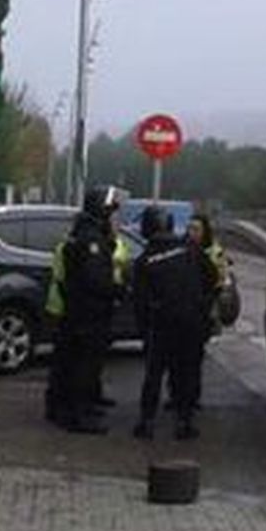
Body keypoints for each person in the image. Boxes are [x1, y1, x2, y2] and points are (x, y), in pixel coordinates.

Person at [43, 186, 124, 433]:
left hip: (76, 309)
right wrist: (117, 289)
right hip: (88, 312)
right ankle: (79, 416)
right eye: (110, 212)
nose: (113, 217)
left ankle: (62, 408)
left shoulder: (82, 232)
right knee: (83, 364)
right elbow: (95, 279)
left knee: (68, 360)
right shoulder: (91, 240)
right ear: (100, 211)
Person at [131, 206, 215, 440]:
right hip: (190, 322)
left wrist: (143, 330)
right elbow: (212, 277)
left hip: (161, 324)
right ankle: (184, 422)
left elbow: (140, 301)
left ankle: (146, 422)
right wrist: (199, 303)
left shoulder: (144, 260)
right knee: (185, 373)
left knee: (154, 374)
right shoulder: (190, 250)